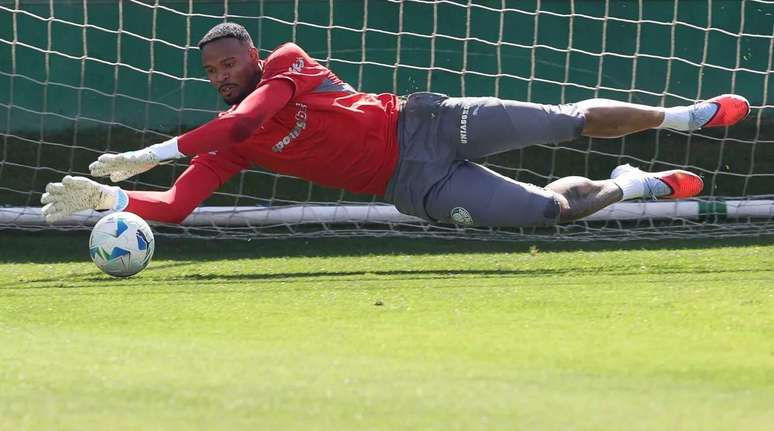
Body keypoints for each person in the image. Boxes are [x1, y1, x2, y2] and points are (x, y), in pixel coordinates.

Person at [41, 23, 750, 227]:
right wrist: (112, 199)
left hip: (428, 126)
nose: (225, 76)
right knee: (550, 214)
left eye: (232, 61)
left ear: (253, 55)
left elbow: (250, 116)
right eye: (215, 72)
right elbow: (179, 207)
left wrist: (149, 150)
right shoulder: (230, 137)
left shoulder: (287, 65)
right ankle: (633, 185)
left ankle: (685, 116)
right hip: (415, 186)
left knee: (563, 122)